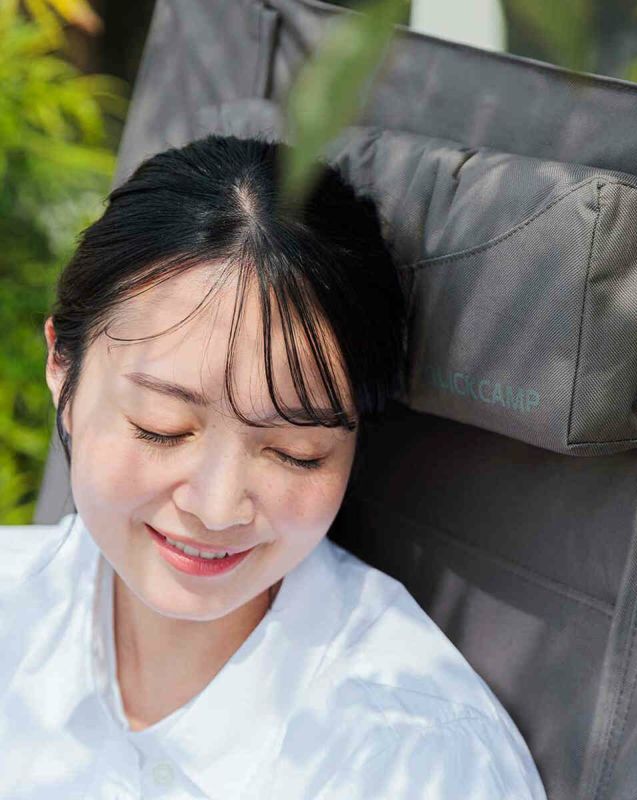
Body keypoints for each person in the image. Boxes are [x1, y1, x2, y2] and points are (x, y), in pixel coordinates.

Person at [0, 134, 547, 799]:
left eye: (295, 453)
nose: (216, 508)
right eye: (162, 428)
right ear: (62, 366)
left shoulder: (419, 760)